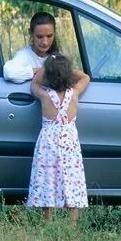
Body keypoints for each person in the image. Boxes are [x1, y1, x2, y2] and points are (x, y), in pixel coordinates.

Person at [26, 53, 90, 227]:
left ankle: (47, 222)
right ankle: (72, 224)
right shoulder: (74, 93)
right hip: (69, 142)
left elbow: (34, 84)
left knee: (48, 177)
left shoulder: (45, 95)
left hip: (49, 141)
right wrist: (66, 69)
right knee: (72, 179)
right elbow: (85, 77)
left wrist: (44, 68)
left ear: (48, 74)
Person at [3, 11, 59, 82]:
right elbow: (9, 73)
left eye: (49, 36)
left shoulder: (57, 56)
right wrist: (39, 71)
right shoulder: (23, 55)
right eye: (39, 37)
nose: (45, 42)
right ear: (30, 33)